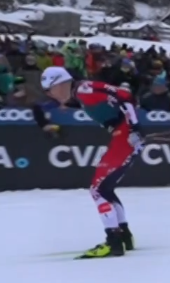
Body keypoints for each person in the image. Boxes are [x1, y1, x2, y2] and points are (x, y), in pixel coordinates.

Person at [33, 66, 143, 258]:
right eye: (47, 92)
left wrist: (135, 129)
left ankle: (114, 242)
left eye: (50, 90)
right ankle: (124, 236)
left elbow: (125, 95)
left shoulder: (85, 90)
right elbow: (38, 106)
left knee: (97, 190)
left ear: (61, 84)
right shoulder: (80, 92)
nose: (50, 95)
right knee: (105, 189)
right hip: (122, 136)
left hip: (125, 137)